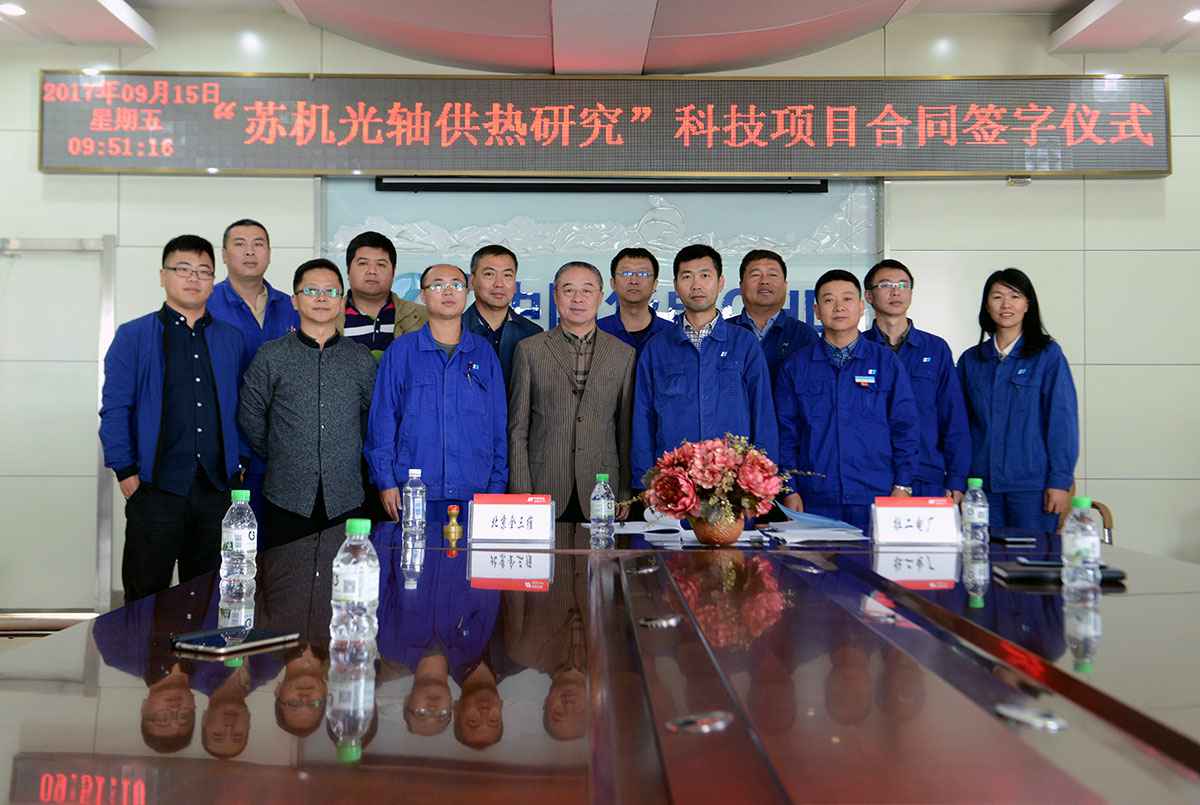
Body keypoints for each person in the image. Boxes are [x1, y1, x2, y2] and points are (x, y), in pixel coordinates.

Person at [99, 235, 250, 602]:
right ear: (163, 276)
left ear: (213, 280)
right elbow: (115, 408)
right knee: (144, 597)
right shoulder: (134, 336)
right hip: (155, 488)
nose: (193, 278)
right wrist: (126, 472)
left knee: (208, 596)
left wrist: (240, 463)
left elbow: (244, 406)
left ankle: (200, 646)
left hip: (216, 490)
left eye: (203, 271)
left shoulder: (231, 339)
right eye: (183, 269)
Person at [238, 259, 377, 549]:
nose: (322, 298)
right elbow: (251, 414)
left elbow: (372, 418)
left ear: (342, 301)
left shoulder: (359, 358)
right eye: (312, 291)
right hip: (286, 495)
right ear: (295, 300)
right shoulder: (271, 356)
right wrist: (282, 450)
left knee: (344, 573)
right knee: (286, 575)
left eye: (331, 291)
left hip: (346, 496)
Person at [776, 269, 919, 533]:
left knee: (875, 561)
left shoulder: (886, 362)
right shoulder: (796, 366)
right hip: (813, 498)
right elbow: (785, 434)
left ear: (862, 306)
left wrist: (903, 485)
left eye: (847, 299)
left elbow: (905, 428)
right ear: (817, 310)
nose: (839, 307)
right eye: (829, 300)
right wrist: (789, 488)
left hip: (876, 494)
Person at [365, 264, 508, 524]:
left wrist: (497, 487)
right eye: (438, 285)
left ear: (467, 292)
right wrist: (385, 481)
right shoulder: (401, 351)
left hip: (474, 490)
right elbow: (383, 420)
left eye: (456, 285)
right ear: (423, 294)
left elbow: (498, 424)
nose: (448, 291)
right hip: (414, 491)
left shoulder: (483, 352)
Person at [631, 244, 778, 488]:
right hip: (673, 484)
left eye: (705, 275)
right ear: (676, 285)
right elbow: (642, 420)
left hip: (733, 485)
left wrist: (763, 480)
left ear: (720, 283)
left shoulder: (744, 344)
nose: (696, 285)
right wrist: (644, 482)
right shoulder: (657, 348)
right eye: (687, 276)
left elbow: (762, 414)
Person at [508, 261, 636, 527]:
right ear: (556, 296)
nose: (578, 299)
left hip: (602, 486)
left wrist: (625, 489)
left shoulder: (623, 354)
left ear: (601, 296)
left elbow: (625, 430)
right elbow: (518, 428)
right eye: (568, 290)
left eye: (587, 290)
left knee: (601, 554)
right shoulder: (530, 350)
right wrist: (521, 491)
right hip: (544, 483)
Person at [958, 268, 1079, 533]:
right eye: (997, 297)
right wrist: (957, 480)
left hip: (1032, 488)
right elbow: (958, 426)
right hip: (980, 487)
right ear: (986, 305)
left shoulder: (1047, 355)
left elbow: (1062, 422)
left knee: (1033, 557)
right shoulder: (971, 361)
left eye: (1015, 296)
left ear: (1027, 305)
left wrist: (1059, 481)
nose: (1006, 305)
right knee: (980, 555)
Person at [861, 258, 971, 502]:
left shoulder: (935, 349)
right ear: (869, 296)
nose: (896, 291)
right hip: (870, 475)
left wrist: (956, 478)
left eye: (903, 285)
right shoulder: (859, 349)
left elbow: (953, 416)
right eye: (886, 285)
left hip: (926, 474)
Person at [206, 218, 298, 355]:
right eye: (240, 244)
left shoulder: (291, 306)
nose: (250, 251)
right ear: (224, 255)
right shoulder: (205, 303)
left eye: (258, 244)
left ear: (269, 254)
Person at [729, 249, 819, 382]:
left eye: (772, 275)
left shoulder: (804, 335)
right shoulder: (722, 332)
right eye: (755, 275)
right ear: (741, 286)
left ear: (785, 285)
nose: (764, 281)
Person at [340, 230, 429, 360]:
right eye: (363, 263)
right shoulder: (328, 316)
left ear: (393, 272)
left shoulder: (425, 317)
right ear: (348, 270)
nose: (372, 271)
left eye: (381, 264)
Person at [463, 244, 542, 388]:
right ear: (472, 281)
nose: (499, 284)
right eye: (489, 274)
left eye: (507, 275)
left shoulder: (533, 334)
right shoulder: (454, 331)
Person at [596, 247, 672, 362]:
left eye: (643, 274)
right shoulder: (597, 332)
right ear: (613, 283)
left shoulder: (673, 334)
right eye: (626, 273)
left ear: (655, 284)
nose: (634, 281)